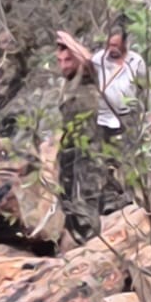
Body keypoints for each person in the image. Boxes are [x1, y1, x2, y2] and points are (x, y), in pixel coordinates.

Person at [55, 30, 103, 245]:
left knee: (88, 195)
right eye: (60, 61)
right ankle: (76, 239)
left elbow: (90, 60)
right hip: (72, 147)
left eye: (68, 60)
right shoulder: (67, 84)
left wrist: (69, 41)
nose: (63, 65)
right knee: (67, 198)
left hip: (91, 145)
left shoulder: (86, 75)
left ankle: (93, 239)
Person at [93, 26, 146, 148]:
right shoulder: (99, 59)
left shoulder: (136, 61)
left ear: (125, 44)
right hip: (103, 118)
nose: (112, 49)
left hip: (127, 117)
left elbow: (145, 88)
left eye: (116, 45)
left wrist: (147, 113)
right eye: (110, 45)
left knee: (127, 151)